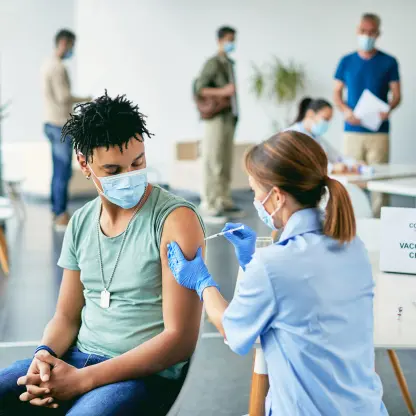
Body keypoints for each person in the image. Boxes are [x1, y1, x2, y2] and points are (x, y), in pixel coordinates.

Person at [0, 92, 204, 415]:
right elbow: (66, 317)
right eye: (112, 170)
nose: (129, 176)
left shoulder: (176, 220)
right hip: (79, 359)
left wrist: (83, 380)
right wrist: (44, 355)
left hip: (142, 374)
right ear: (84, 163)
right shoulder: (80, 222)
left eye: (137, 163)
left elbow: (180, 339)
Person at [167, 131, 387, 415]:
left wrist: (201, 280)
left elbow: (231, 330)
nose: (255, 200)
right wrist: (252, 264)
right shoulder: (352, 245)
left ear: (278, 197)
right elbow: (301, 298)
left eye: (256, 193)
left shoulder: (273, 265)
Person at [334, 13, 401, 217]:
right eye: (363, 31)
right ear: (358, 30)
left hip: (378, 132)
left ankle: (380, 221)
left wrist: (388, 109)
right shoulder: (346, 61)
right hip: (352, 131)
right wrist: (346, 111)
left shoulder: (389, 62)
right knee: (351, 179)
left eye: (371, 32)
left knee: (380, 180)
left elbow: (397, 95)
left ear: (378, 33)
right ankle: (352, 220)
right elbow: (337, 93)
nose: (367, 35)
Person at [41, 29, 92, 230]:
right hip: (59, 125)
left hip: (50, 123)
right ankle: (60, 215)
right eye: (71, 45)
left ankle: (57, 212)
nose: (72, 50)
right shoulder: (58, 67)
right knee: (62, 173)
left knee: (58, 172)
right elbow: (63, 97)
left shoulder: (46, 64)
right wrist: (86, 99)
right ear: (63, 43)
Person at [195, 25, 242, 222]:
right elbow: (200, 88)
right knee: (212, 160)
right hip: (215, 119)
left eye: (233, 39)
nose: (232, 43)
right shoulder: (213, 63)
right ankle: (209, 203)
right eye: (229, 39)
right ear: (220, 40)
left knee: (224, 161)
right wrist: (223, 92)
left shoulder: (228, 63)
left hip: (228, 118)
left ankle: (223, 200)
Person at [287, 97, 362, 174]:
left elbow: (336, 156)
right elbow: (306, 163)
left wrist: (353, 163)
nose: (327, 124)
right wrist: (332, 168)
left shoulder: (316, 137)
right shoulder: (291, 135)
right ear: (310, 114)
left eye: (329, 120)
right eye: (325, 119)